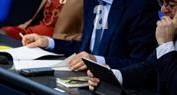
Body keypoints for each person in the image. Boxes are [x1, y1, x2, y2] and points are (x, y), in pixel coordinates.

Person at [21, 0, 159, 70]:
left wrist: (97, 61)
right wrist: (49, 42)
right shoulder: (91, 1)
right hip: (86, 81)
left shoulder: (140, 6)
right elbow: (85, 50)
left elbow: (141, 64)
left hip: (116, 91)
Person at [88, 0, 177, 95]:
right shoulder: (172, 33)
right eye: (162, 4)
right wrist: (111, 76)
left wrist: (165, 44)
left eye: (171, 5)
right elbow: (147, 68)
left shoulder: (167, 37)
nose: (163, 10)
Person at [0, 0, 83, 42]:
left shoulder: (89, 2)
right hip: (34, 32)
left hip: (57, 40)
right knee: (3, 33)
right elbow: (39, 18)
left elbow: (87, 36)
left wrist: (54, 42)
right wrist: (21, 28)